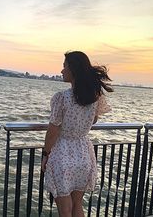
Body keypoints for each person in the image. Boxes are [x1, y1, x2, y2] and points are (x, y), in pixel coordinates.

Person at [41, 51, 113, 217]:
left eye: (64, 66)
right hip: (83, 154)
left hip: (63, 154)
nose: (62, 71)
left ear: (73, 69)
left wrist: (45, 154)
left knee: (65, 210)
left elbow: (53, 130)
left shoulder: (62, 98)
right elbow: (93, 121)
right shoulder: (94, 97)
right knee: (77, 206)